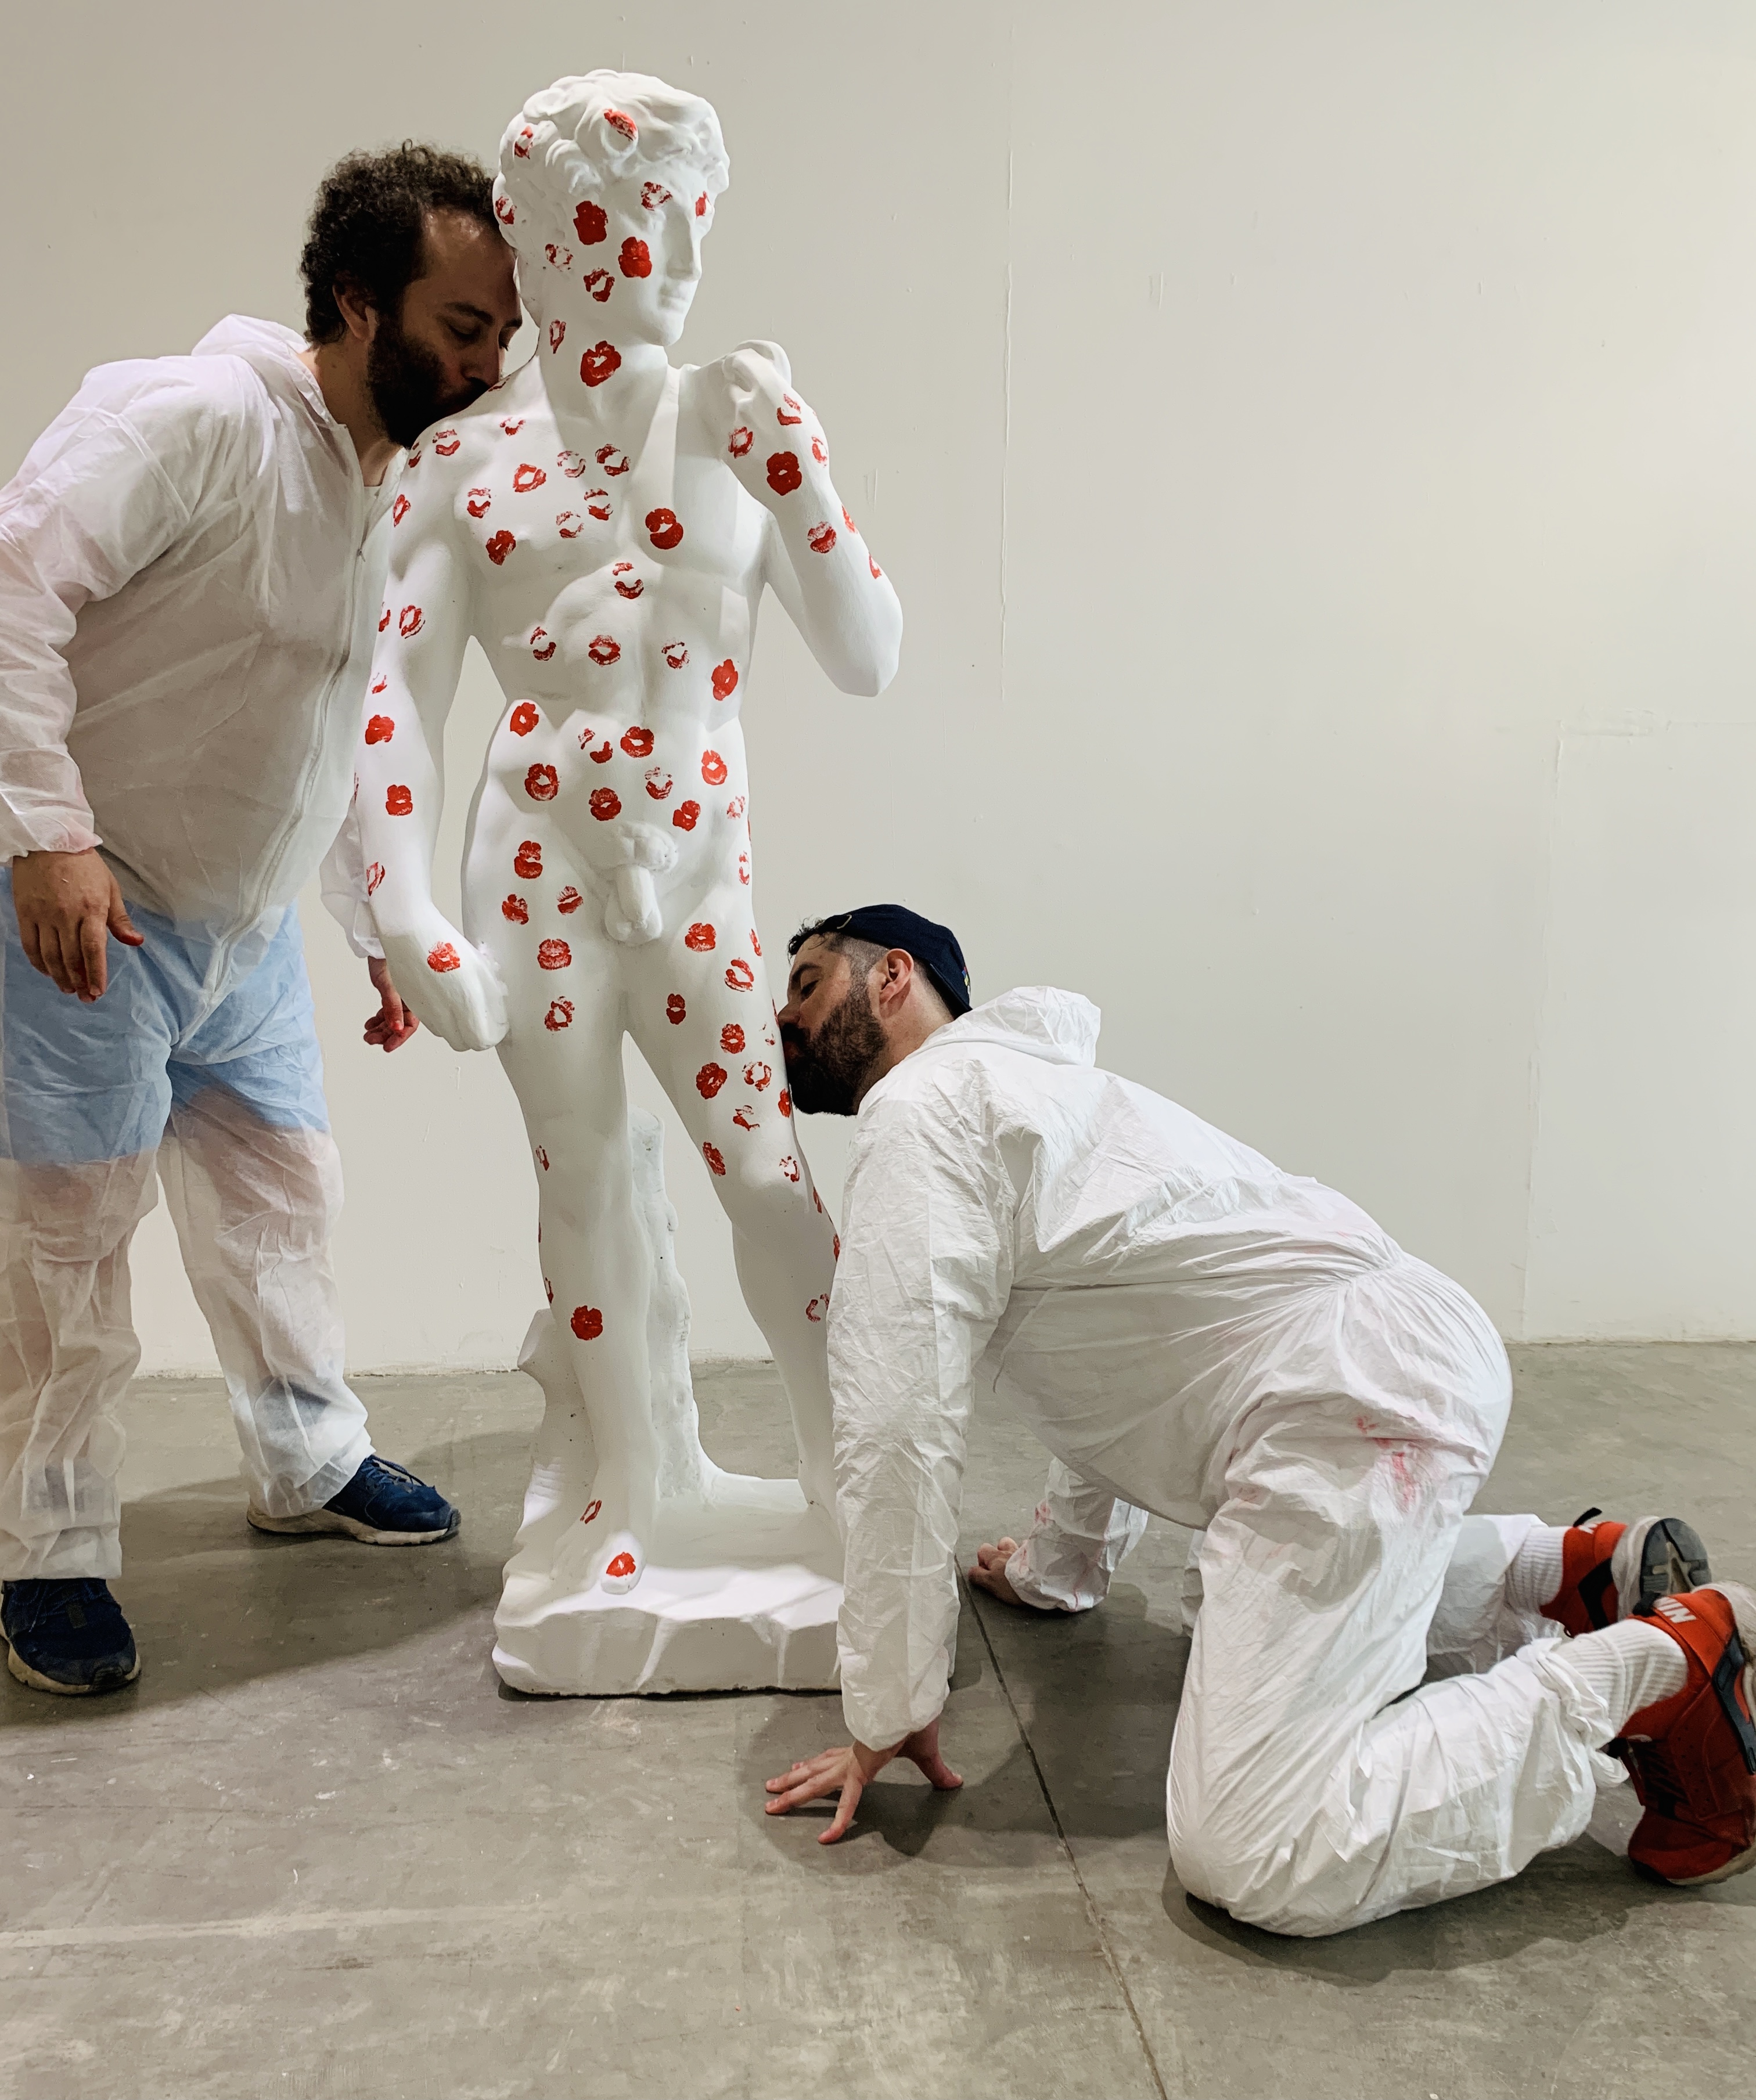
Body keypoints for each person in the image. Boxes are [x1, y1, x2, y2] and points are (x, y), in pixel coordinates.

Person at [761, 906, 1756, 1935]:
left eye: (807, 983)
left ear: (894, 977)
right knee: (1221, 1596)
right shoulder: (1045, 1095)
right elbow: (1111, 1362)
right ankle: (1564, 1573)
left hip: (1343, 1406)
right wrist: (1059, 1569)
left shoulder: (919, 1114)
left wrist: (892, 1704)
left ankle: (1664, 1674)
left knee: (1256, 1846)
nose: (781, 1018)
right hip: (1391, 1358)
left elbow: (897, 1428)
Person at [331, 72, 902, 1619]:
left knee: (767, 1178)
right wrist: (408, 911)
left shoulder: (737, 417)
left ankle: (858, 1491)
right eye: (624, 224)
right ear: (538, 240)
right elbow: (393, 702)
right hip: (539, 870)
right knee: (581, 1181)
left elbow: (867, 655)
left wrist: (807, 482)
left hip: (699, 864)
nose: (662, 260)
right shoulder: (457, 466)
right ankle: (637, 1492)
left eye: (683, 220)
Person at [0, 144, 525, 1697]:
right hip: (93, 915)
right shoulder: (194, 420)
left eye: (504, 332)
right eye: (462, 326)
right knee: (67, 1250)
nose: (489, 364)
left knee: (284, 1195)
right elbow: (14, 589)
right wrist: (47, 838)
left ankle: (306, 1459)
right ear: (357, 303)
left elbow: (336, 720)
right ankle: (44, 1546)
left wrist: (370, 924)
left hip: (242, 931)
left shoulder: (386, 478)